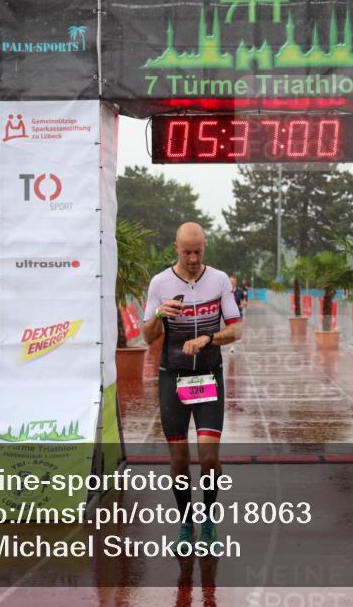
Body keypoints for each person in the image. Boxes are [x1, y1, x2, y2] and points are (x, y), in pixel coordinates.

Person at [142, 222, 242, 550]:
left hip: (208, 375)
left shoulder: (219, 280)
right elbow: (147, 336)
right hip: (173, 376)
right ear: (176, 248)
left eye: (198, 251)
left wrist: (209, 338)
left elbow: (236, 330)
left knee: (209, 456)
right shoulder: (160, 283)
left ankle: (209, 519)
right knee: (179, 458)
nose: (193, 258)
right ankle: (186, 522)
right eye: (187, 252)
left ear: (205, 248)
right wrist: (159, 314)